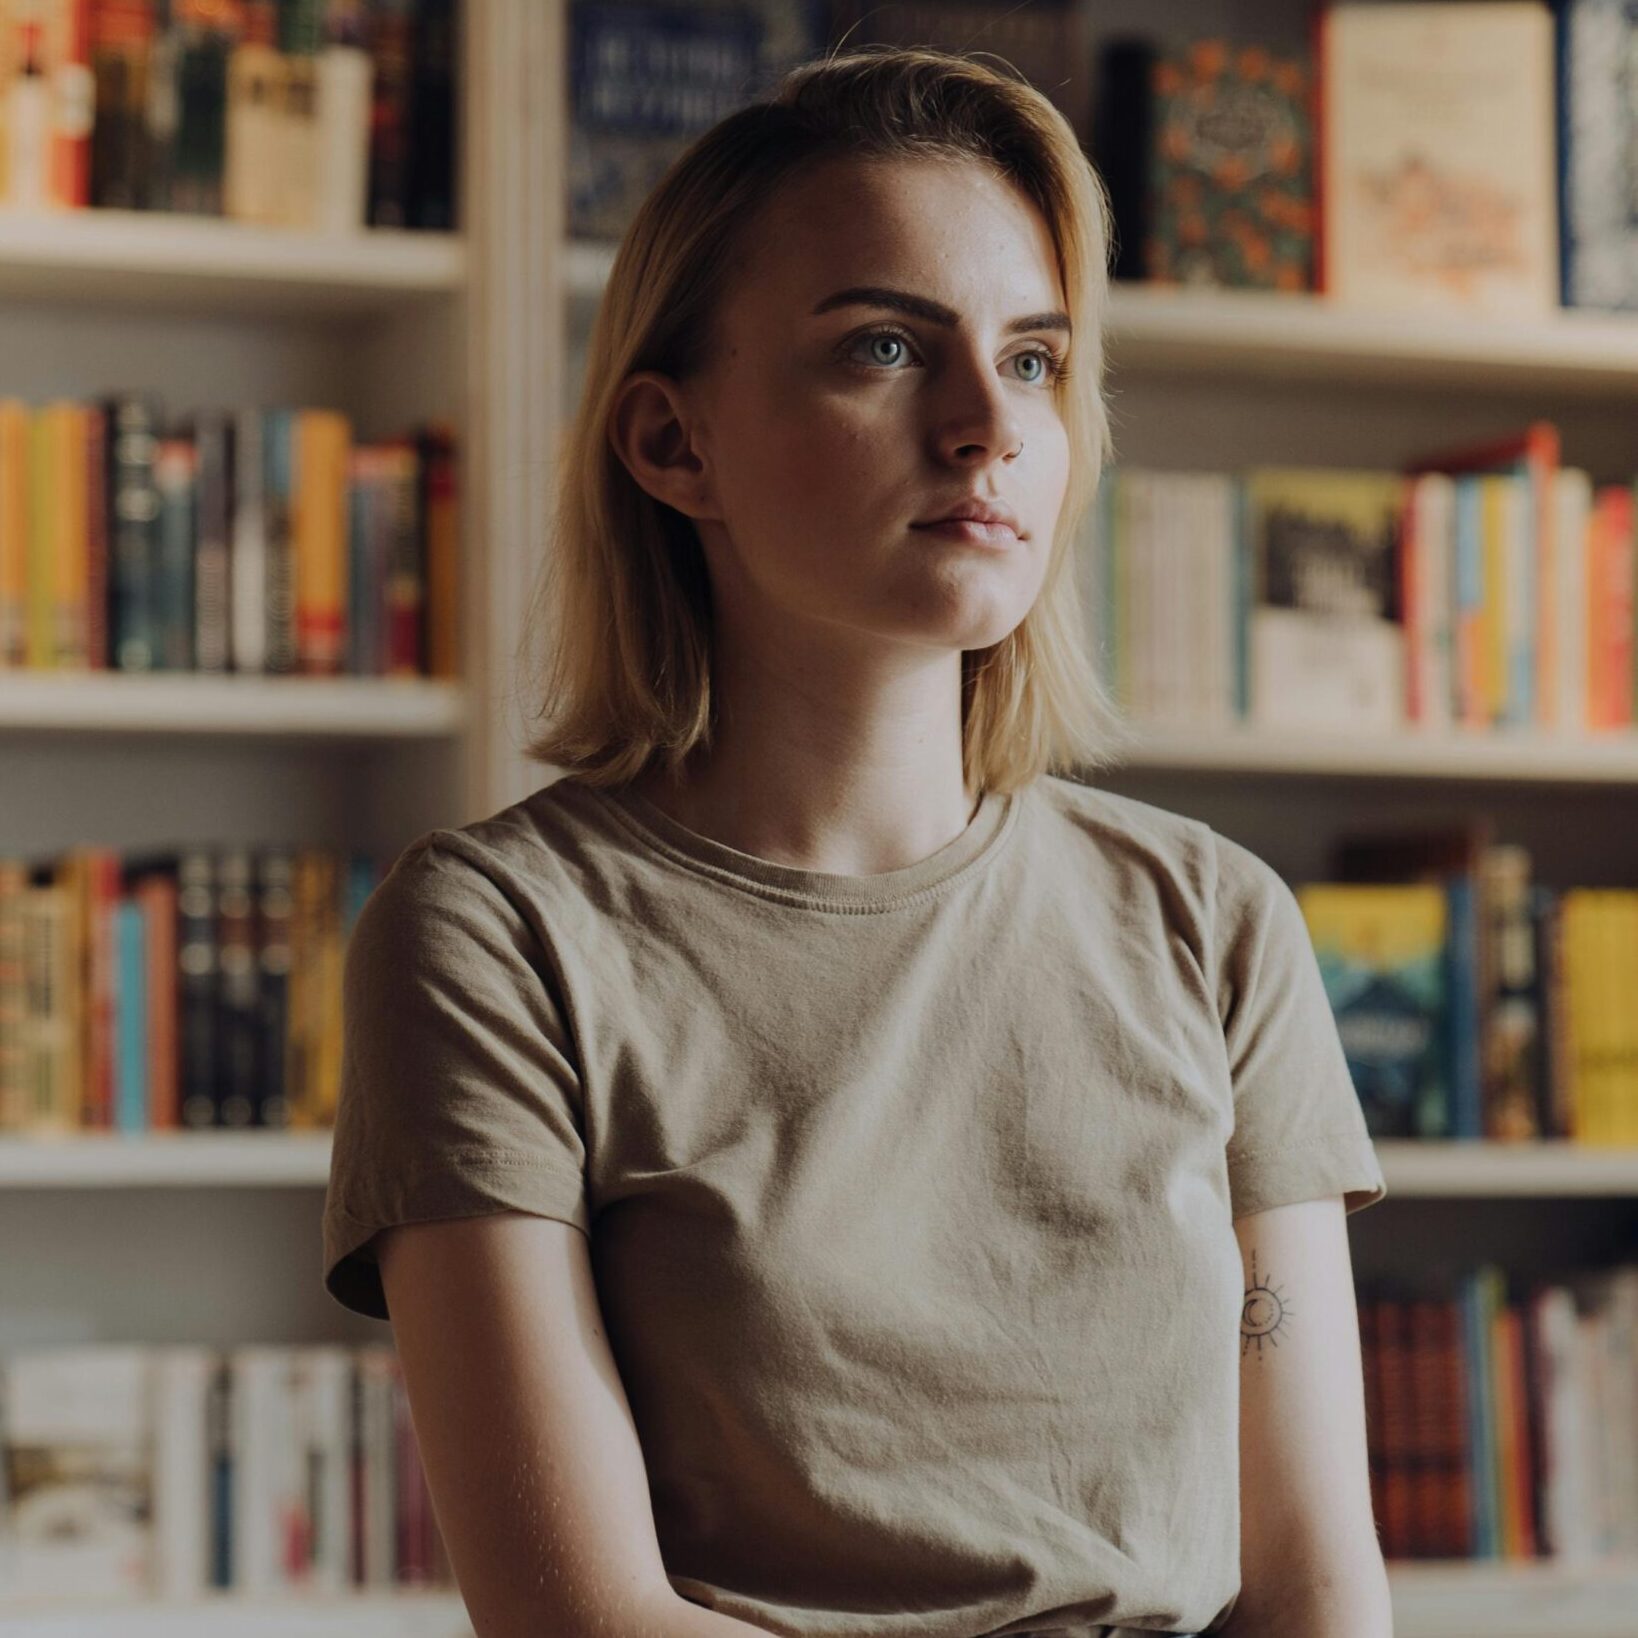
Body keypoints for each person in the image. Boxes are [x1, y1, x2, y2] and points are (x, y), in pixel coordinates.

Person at [321, 43, 1392, 1638]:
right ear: (672, 445)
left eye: (1032, 360)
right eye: (884, 347)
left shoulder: (1213, 920)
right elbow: (584, 1623)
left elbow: (1310, 1587)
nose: (984, 425)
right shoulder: (498, 935)